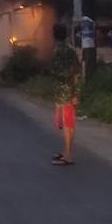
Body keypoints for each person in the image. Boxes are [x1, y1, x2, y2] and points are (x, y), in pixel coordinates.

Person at [50, 22, 81, 166]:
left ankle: (68, 156)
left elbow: (57, 72)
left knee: (67, 125)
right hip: (69, 92)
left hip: (64, 94)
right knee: (67, 124)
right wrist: (76, 93)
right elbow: (77, 72)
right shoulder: (71, 50)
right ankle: (65, 151)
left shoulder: (58, 51)